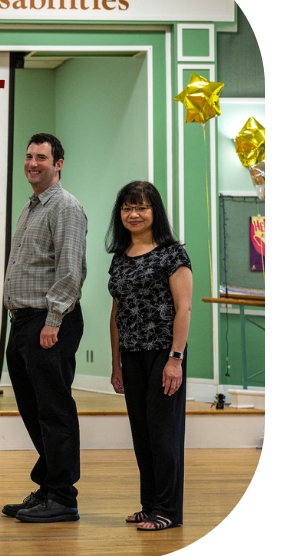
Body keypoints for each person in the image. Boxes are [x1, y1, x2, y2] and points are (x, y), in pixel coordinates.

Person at [1, 133, 87, 523]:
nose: (32, 163)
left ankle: (63, 498)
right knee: (33, 411)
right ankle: (49, 485)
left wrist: (52, 321)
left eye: (41, 157)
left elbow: (70, 270)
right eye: (29, 156)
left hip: (48, 323)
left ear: (58, 164)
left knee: (53, 411)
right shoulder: (31, 207)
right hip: (23, 323)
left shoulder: (65, 207)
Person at [106, 181, 192, 531]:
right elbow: (116, 313)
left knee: (163, 433)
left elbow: (183, 308)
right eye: (127, 208)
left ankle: (168, 510)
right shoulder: (120, 257)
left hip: (163, 353)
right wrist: (116, 363)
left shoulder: (173, 254)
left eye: (141, 207)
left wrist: (176, 358)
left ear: (155, 212)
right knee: (142, 433)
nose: (134, 214)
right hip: (132, 354)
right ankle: (150, 504)